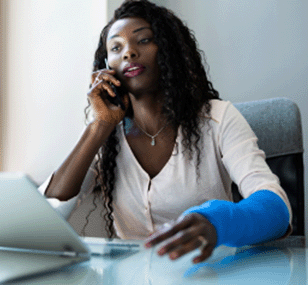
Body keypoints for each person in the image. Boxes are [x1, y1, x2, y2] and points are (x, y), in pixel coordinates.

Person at [39, 0, 292, 264]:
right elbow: (46, 217)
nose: (128, 53)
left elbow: (276, 209)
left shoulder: (218, 118)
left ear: (169, 50)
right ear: (105, 66)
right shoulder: (107, 136)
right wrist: (99, 126)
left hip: (210, 273)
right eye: (116, 47)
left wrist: (216, 221)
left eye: (144, 40)